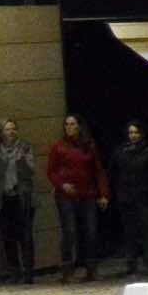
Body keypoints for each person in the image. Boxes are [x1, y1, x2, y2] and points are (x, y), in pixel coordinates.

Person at [47, 114, 110, 283]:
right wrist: (62, 185)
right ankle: (67, 270)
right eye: (66, 124)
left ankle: (91, 269)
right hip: (66, 196)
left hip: (88, 194)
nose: (69, 127)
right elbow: (51, 171)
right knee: (70, 231)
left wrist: (103, 193)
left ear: (79, 126)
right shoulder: (58, 147)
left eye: (72, 124)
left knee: (90, 231)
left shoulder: (88, 146)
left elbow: (98, 171)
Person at [109, 120, 148, 275]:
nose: (133, 135)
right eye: (131, 133)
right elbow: (114, 172)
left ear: (141, 134)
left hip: (144, 197)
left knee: (147, 232)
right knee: (130, 232)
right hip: (126, 198)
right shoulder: (121, 151)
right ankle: (131, 263)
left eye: (136, 132)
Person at [0, 119, 37, 284]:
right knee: (8, 237)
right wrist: (6, 160)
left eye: (14, 128)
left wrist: (21, 160)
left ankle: (29, 273)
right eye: (8, 129)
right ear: (1, 133)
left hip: (22, 198)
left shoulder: (25, 147)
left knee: (26, 236)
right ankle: (15, 272)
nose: (12, 132)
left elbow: (30, 171)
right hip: (3, 199)